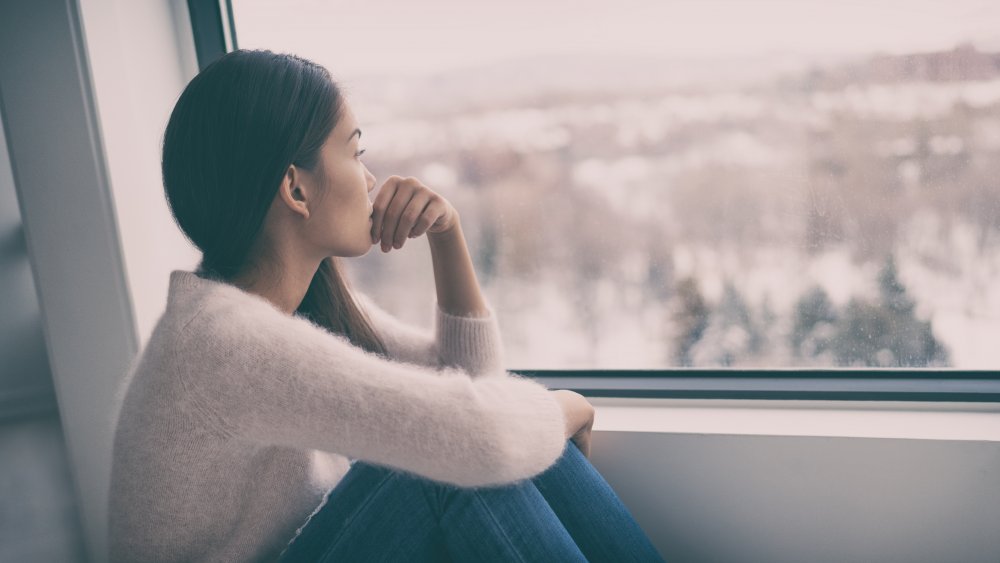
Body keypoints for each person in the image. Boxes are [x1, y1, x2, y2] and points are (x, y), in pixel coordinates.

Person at [107, 48, 664, 562]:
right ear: (296, 190)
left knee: (491, 442)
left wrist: (448, 236)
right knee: (441, 463)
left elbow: (471, 382)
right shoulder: (223, 343)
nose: (370, 177)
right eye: (355, 152)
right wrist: (568, 407)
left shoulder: (293, 306)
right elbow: (479, 436)